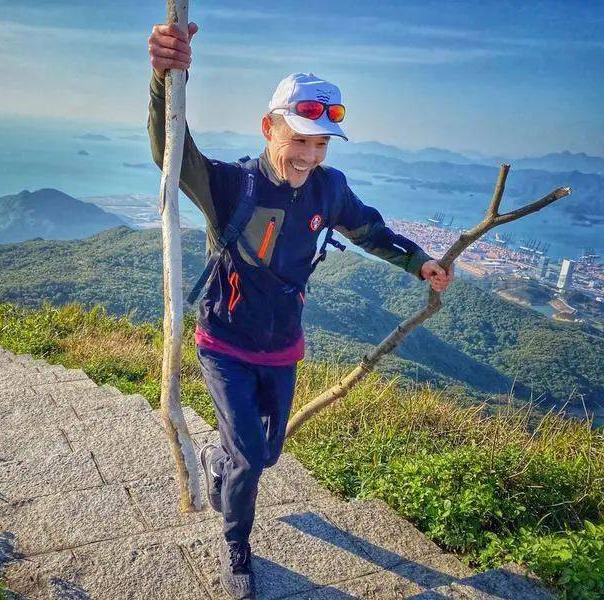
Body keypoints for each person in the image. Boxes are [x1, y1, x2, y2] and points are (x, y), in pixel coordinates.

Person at [147, 22, 453, 600]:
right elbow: (171, 152)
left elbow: (369, 230)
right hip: (225, 344)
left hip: (283, 347)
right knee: (250, 454)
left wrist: (420, 263)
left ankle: (219, 460)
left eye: (321, 143)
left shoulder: (328, 188)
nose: (310, 155)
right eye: (300, 139)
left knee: (268, 449)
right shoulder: (232, 186)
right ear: (269, 128)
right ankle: (236, 545)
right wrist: (165, 76)